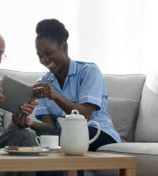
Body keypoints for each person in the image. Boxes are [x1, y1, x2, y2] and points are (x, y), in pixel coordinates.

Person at [13, 19, 121, 176]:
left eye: (48, 53)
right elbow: (49, 127)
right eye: (40, 55)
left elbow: (84, 115)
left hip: (98, 133)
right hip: (64, 137)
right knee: (46, 145)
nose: (44, 60)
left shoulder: (88, 72)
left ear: (64, 47)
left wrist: (55, 95)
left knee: (66, 142)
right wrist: (30, 123)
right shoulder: (43, 83)